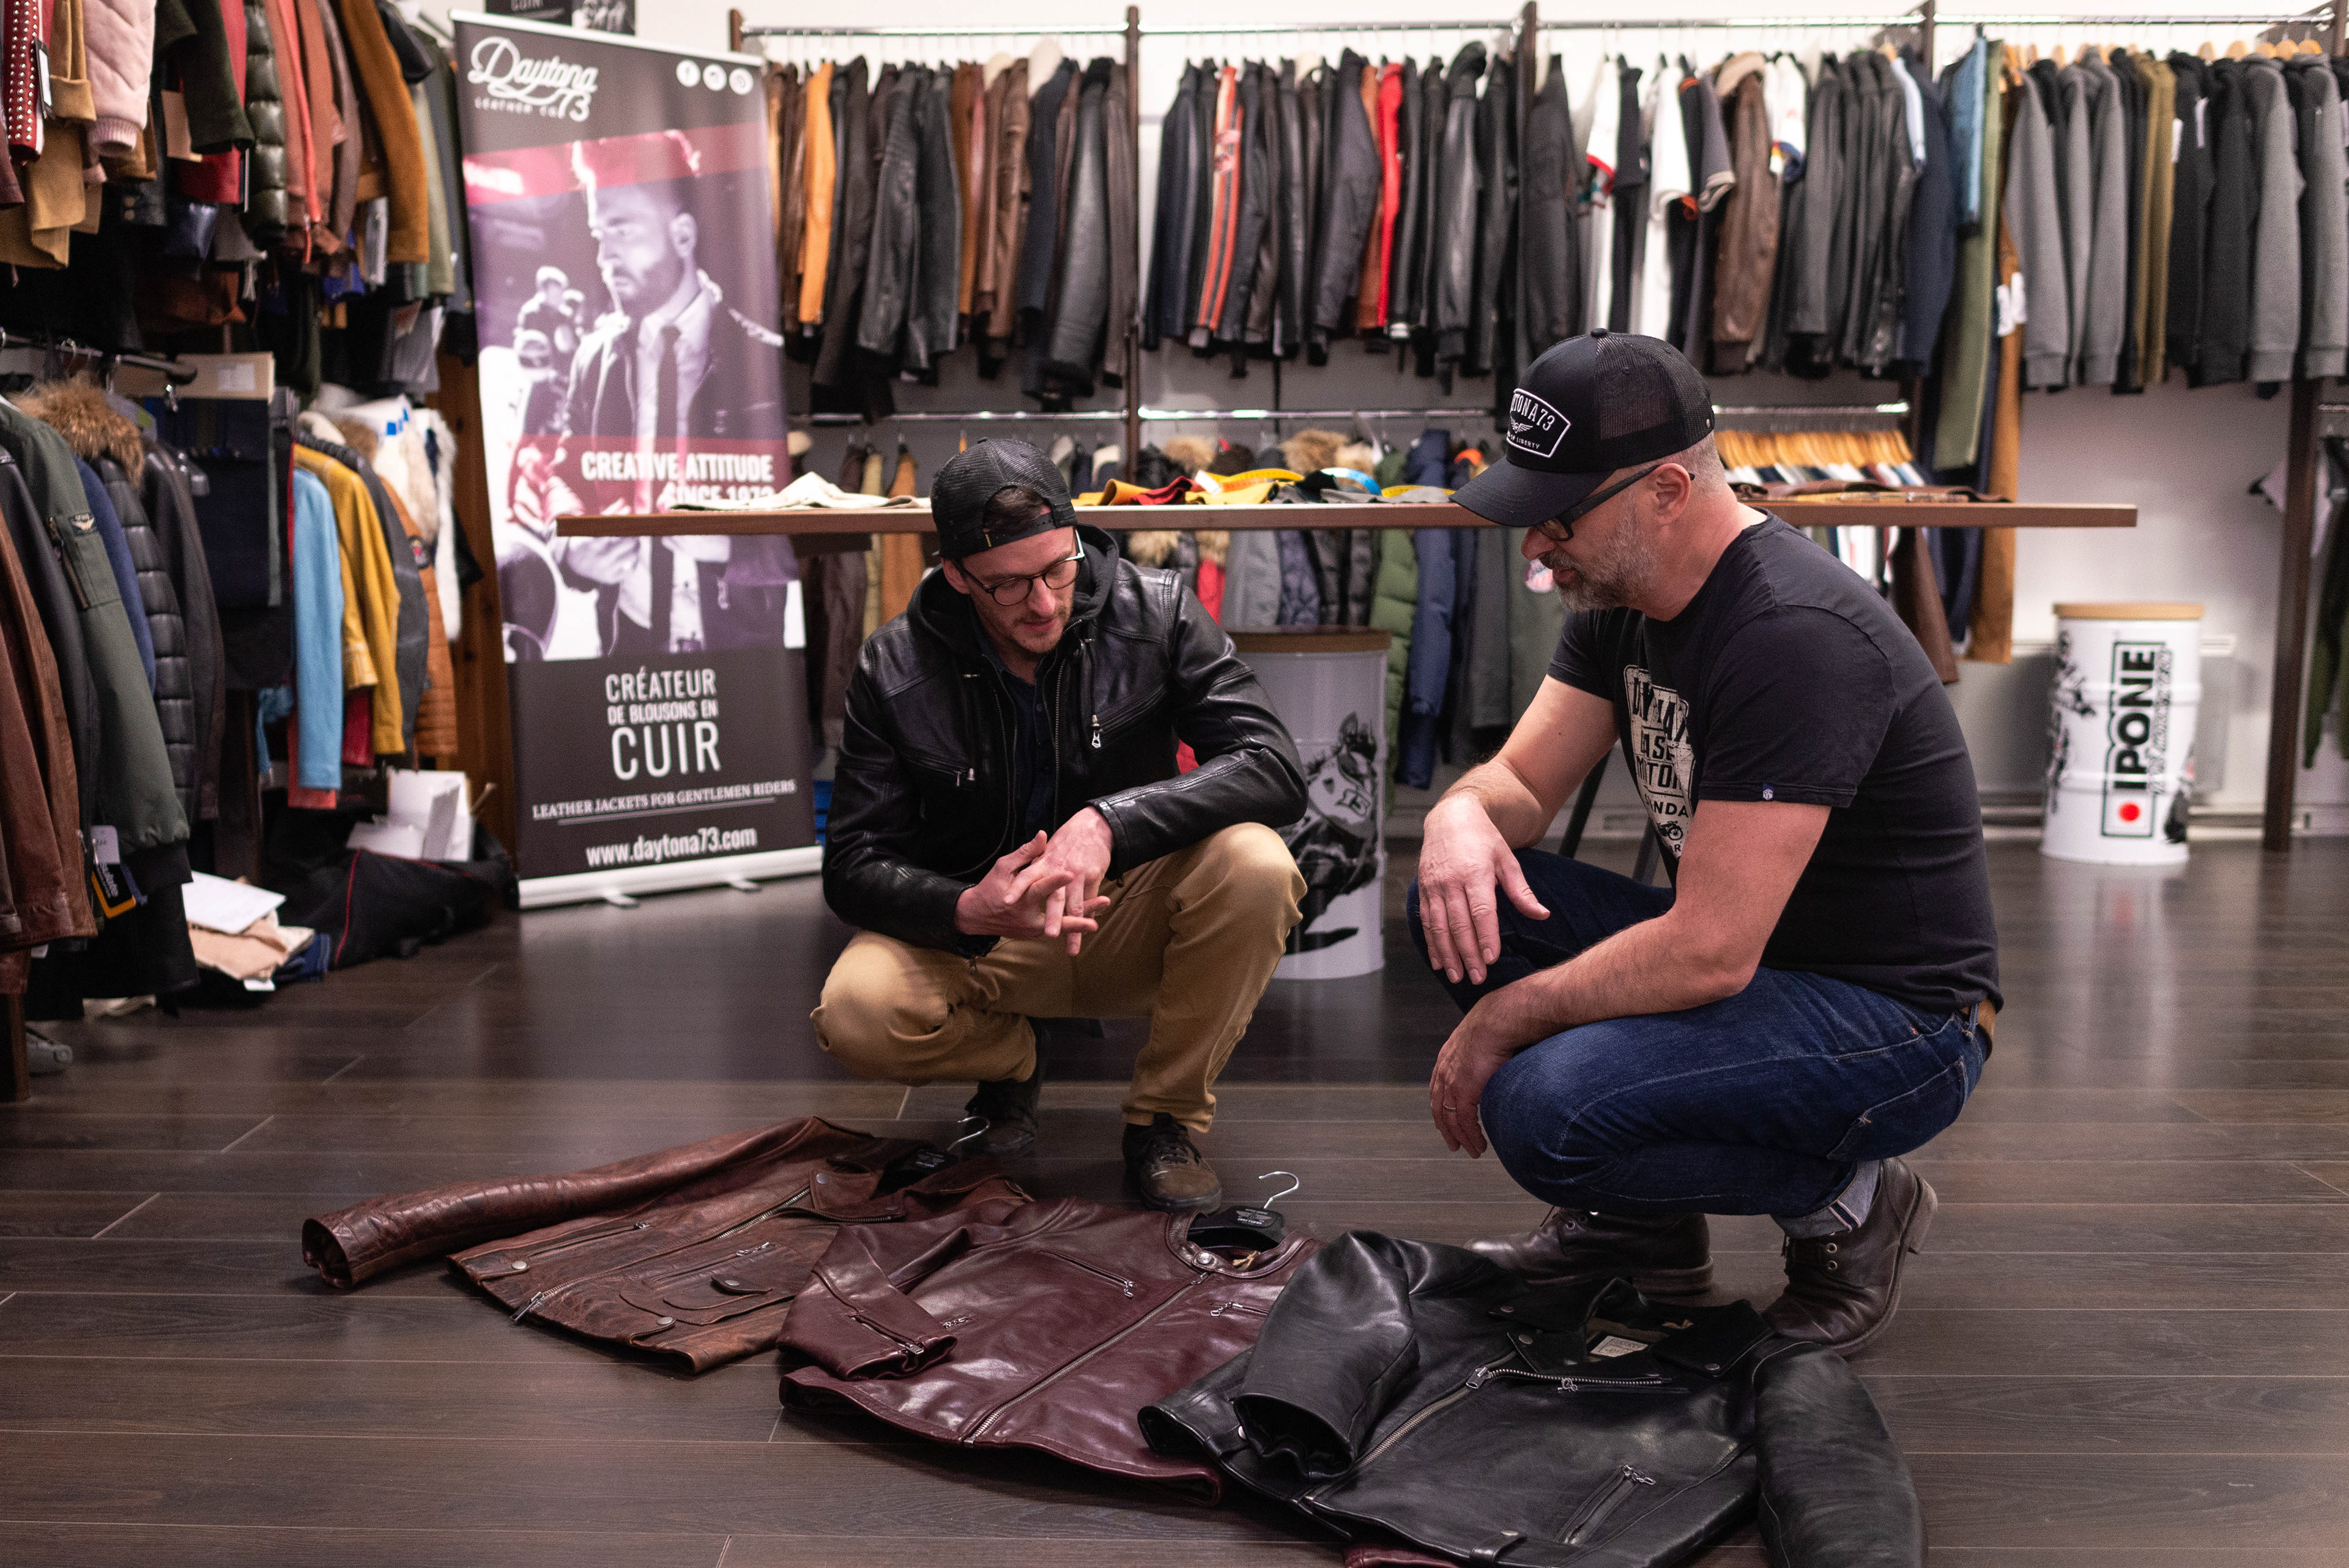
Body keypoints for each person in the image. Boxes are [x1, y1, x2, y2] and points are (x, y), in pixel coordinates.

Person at [1412, 330, 2000, 1354]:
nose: (1535, 545)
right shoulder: (1624, 594)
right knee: (1469, 907)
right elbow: (1517, 783)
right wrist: (1456, 818)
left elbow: (1709, 950)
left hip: (1900, 1021)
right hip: (1760, 958)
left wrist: (1510, 1017)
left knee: (1542, 1108)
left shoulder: (1793, 635)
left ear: (1668, 491)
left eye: (1557, 515)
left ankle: (1853, 1203)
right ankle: (1642, 1228)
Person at [814, 439, 1310, 1212]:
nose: (1042, 603)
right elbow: (850, 861)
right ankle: (1014, 1061)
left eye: (1057, 568)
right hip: (990, 937)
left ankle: (1165, 1120)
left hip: (1128, 913)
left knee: (1259, 865)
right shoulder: (895, 663)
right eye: (1007, 585)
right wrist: (964, 909)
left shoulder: (1159, 610)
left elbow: (1274, 766)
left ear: (1079, 540)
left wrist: (1111, 821)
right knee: (857, 1011)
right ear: (956, 577)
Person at [562, 131, 784, 440]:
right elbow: (568, 472)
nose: (604, 257)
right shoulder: (592, 358)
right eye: (600, 236)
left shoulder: (759, 358)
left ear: (683, 236)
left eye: (623, 232)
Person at [515, 267, 573, 354]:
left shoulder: (563, 315)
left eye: (560, 294)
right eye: (555, 295)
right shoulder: (531, 313)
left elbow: (569, 347)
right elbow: (528, 346)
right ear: (543, 291)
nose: (560, 299)